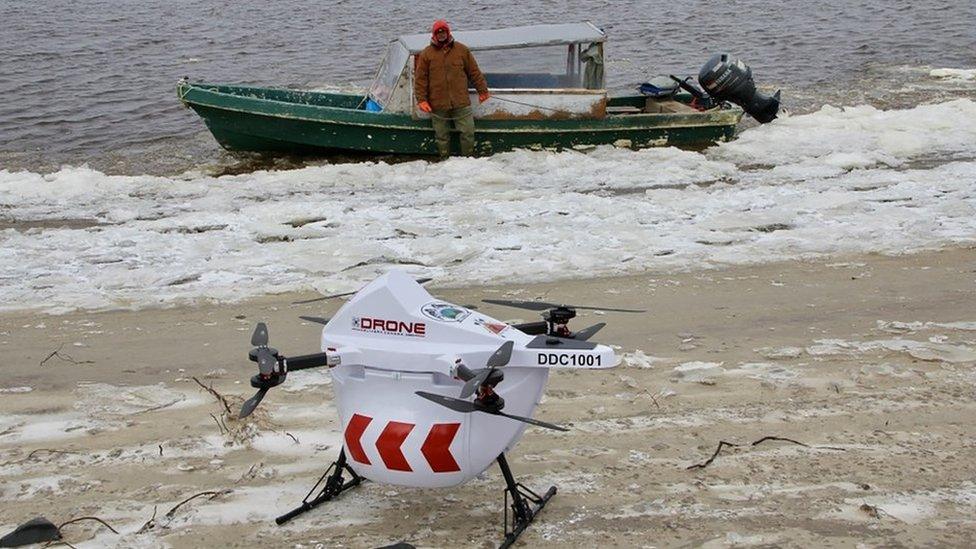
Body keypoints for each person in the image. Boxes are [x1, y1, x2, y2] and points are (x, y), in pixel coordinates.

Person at [414, 20, 490, 158]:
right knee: (441, 136)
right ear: (434, 35)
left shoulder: (462, 50)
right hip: (438, 104)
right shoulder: (426, 54)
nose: (441, 34)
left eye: (444, 31)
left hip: (461, 101)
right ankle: (445, 161)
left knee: (467, 132)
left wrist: (482, 90)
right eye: (438, 32)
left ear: (448, 33)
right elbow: (420, 80)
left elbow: (474, 72)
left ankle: (468, 159)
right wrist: (421, 100)